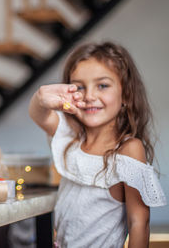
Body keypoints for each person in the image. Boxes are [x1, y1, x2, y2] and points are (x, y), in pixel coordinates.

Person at [28, 42, 166, 248]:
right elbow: (38, 114)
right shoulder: (70, 136)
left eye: (102, 85)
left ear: (126, 94)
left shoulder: (128, 149)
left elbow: (139, 222)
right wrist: (41, 98)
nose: (90, 96)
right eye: (80, 87)